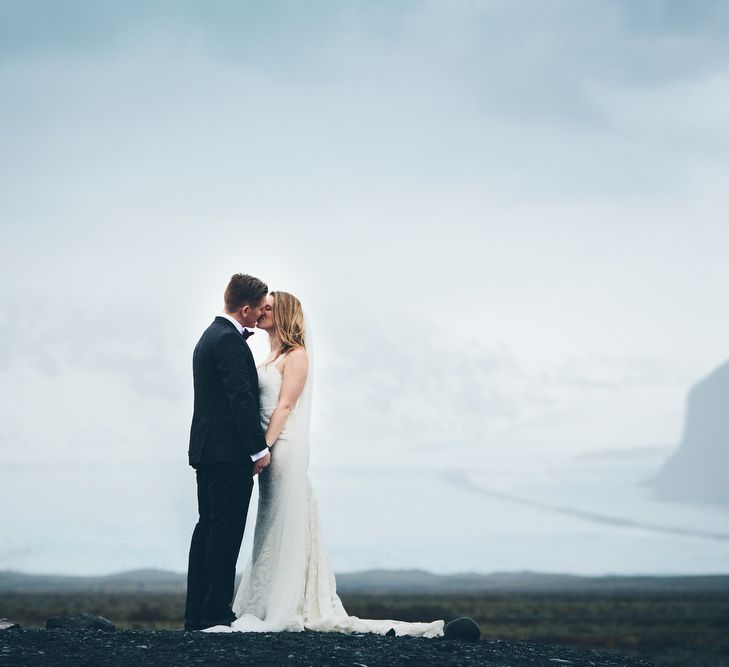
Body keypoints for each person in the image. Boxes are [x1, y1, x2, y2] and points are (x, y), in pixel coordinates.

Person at [206, 290, 444, 637]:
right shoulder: (271, 353)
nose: (261, 312)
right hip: (267, 454)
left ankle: (291, 600)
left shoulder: (297, 356)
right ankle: (266, 597)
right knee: (271, 524)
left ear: (284, 314)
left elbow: (285, 407)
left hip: (281, 450)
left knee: (283, 519)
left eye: (268, 308)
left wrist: (262, 448)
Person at [184, 274, 272, 631]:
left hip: (208, 451)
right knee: (224, 532)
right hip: (228, 454)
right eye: (259, 310)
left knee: (207, 530)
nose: (259, 316)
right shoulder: (229, 342)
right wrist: (257, 450)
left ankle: (198, 613)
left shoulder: (209, 336)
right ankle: (216, 613)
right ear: (246, 308)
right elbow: (241, 401)